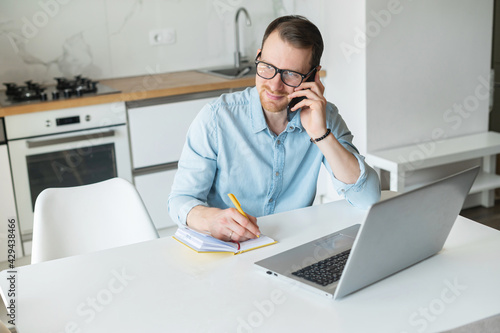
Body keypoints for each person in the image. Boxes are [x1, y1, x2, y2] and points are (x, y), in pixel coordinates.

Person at [168, 15, 380, 243]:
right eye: (268, 66)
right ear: (259, 57)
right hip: (230, 250)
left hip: (292, 246)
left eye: (291, 74)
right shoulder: (216, 118)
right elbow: (181, 200)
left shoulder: (324, 118)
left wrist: (321, 135)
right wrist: (212, 220)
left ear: (313, 76)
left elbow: (367, 198)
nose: (274, 84)